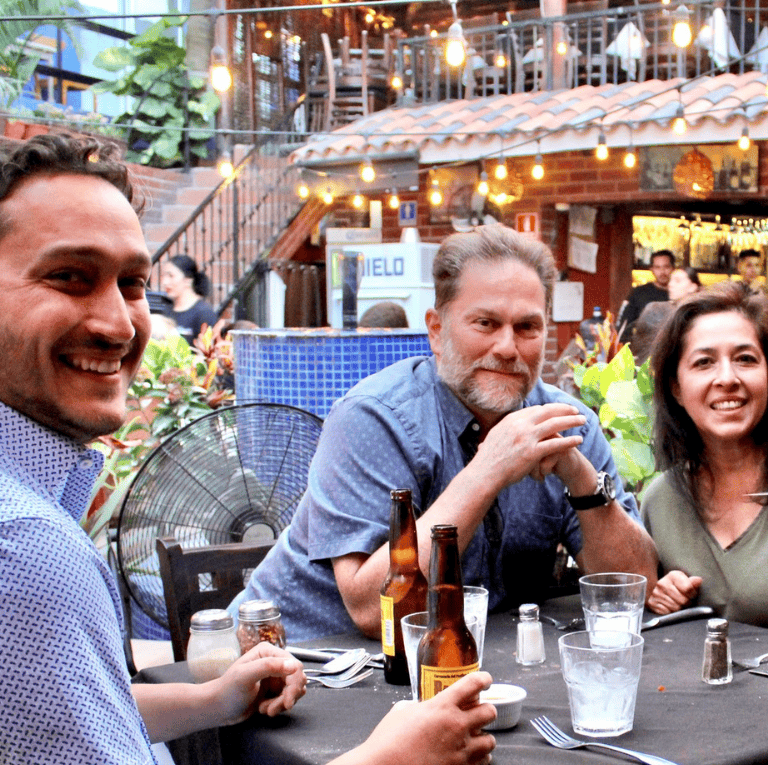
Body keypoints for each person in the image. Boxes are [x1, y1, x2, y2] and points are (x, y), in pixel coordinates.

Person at [0, 133, 497, 765]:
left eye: (132, 283)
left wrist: (212, 701)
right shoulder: (22, 544)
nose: (118, 322)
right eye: (69, 277)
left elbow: (40, 736)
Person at [238, 224, 658, 641]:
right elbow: (375, 610)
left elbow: (636, 591)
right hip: (296, 665)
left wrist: (580, 477)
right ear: (437, 330)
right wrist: (488, 470)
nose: (508, 348)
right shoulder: (374, 419)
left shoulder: (566, 426)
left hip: (458, 670)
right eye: (486, 323)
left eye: (527, 327)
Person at [641, 281, 768, 625]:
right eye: (704, 362)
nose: (727, 378)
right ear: (676, 388)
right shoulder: (660, 502)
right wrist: (661, 594)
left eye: (745, 359)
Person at [629, 266, 701, 364]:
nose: (670, 284)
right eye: (670, 280)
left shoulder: (702, 315)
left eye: (677, 281)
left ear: (693, 287)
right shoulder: (656, 309)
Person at [616, 249, 675, 340]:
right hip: (644, 347)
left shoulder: (679, 293)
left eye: (666, 267)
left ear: (673, 268)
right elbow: (624, 326)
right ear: (651, 269)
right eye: (657, 267)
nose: (662, 272)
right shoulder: (639, 292)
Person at [160, 253, 217, 346]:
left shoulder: (204, 313)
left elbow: (208, 353)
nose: (165, 282)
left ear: (188, 280)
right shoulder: (166, 310)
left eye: (171, 276)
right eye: (163, 276)